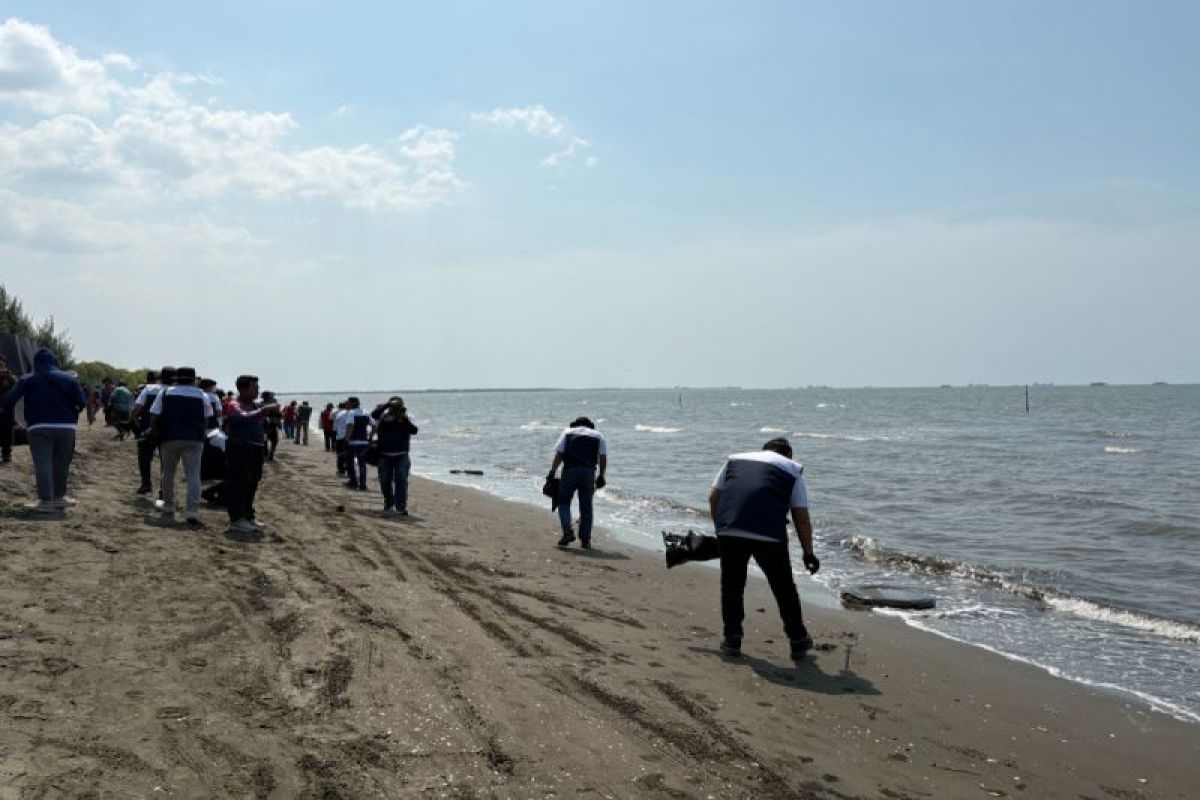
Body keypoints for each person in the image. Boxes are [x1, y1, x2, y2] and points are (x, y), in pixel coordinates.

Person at [708, 437, 819, 661]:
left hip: (731, 530)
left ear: (763, 451)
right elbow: (801, 518)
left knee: (732, 586)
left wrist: (720, 529)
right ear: (788, 455)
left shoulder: (735, 460)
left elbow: (713, 497)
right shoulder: (792, 469)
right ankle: (797, 640)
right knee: (783, 587)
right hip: (768, 535)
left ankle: (732, 640)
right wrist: (808, 553)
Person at [0, 348, 86, 512]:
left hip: (38, 427)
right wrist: (70, 414)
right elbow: (81, 402)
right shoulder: (69, 379)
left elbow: (9, 401)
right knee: (62, 463)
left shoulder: (28, 379)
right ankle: (60, 497)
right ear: (54, 362)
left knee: (43, 464)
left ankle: (46, 501)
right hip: (66, 428)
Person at [148, 367, 212, 525]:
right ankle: (192, 511)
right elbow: (207, 417)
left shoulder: (166, 392)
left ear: (177, 378)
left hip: (170, 437)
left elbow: (154, 414)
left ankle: (168, 505)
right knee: (193, 476)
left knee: (168, 473)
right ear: (193, 380)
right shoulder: (202, 395)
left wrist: (153, 430)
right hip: (194, 439)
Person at [223, 375, 277, 535]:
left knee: (252, 483)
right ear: (243, 388)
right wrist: (264, 411)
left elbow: (259, 424)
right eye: (254, 387)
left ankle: (248, 516)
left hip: (255, 448)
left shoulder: (253, 404)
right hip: (239, 448)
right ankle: (236, 520)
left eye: (257, 387)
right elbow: (242, 418)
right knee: (238, 483)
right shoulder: (234, 404)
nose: (257, 390)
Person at [546, 417, 608, 549]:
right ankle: (585, 540)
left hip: (570, 471)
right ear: (590, 426)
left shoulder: (568, 432)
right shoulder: (598, 435)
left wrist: (552, 472)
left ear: (575, 424)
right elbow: (603, 456)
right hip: (589, 472)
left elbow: (560, 454)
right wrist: (601, 475)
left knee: (563, 502)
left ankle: (567, 532)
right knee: (586, 506)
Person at [128, 367, 173, 494]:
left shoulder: (149, 389)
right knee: (166, 462)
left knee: (144, 458)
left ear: (160, 378)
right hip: (168, 431)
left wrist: (133, 420)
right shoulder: (175, 391)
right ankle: (164, 489)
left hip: (148, 429)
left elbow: (136, 408)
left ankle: (146, 484)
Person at [371, 397, 419, 514]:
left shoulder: (407, 416)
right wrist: (386, 405)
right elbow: (373, 415)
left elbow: (414, 431)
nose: (395, 408)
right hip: (384, 454)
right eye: (392, 405)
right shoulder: (383, 415)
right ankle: (388, 501)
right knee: (384, 481)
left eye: (397, 406)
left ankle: (400, 505)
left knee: (401, 481)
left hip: (401, 455)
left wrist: (404, 419)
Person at [343, 396, 373, 490]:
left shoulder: (350, 413)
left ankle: (353, 482)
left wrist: (347, 438)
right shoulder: (366, 412)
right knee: (362, 464)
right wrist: (370, 436)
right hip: (363, 442)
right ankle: (363, 484)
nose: (347, 404)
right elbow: (375, 425)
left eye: (348, 402)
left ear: (353, 403)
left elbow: (350, 426)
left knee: (349, 463)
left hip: (352, 442)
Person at [0, 356, 16, 463]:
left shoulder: (9, 376)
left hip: (7, 408)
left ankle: (6, 454)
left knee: (7, 431)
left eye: (2, 363)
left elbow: (16, 384)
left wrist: (7, 375)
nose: (1, 365)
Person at [261, 391, 282, 461]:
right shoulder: (275, 403)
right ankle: (271, 454)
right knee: (274, 440)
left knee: (265, 440)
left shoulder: (262, 403)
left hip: (264, 425)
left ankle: (266, 453)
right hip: (272, 424)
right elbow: (279, 414)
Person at [332, 401, 350, 474]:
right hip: (350, 437)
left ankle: (341, 470)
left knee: (340, 454)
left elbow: (336, 427)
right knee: (348, 454)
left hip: (340, 436)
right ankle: (348, 469)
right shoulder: (353, 414)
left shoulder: (339, 414)